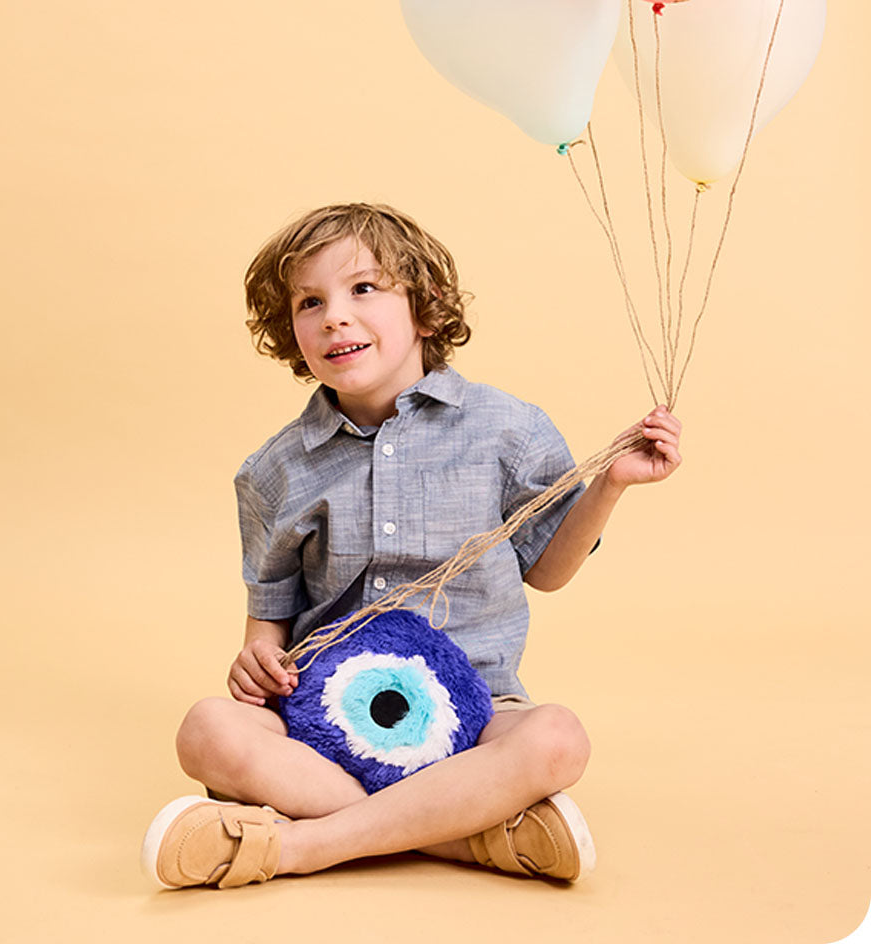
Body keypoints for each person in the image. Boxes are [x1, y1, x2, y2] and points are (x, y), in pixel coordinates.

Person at [139, 203, 682, 890]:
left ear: (425, 310)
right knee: (206, 731)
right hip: (324, 724)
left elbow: (548, 572)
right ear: (293, 332)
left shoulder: (507, 430)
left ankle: (301, 846)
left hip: (477, 715)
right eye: (311, 301)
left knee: (557, 740)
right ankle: (469, 838)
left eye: (363, 289)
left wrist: (611, 485)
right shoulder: (275, 470)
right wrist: (256, 663)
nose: (335, 315)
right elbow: (266, 630)